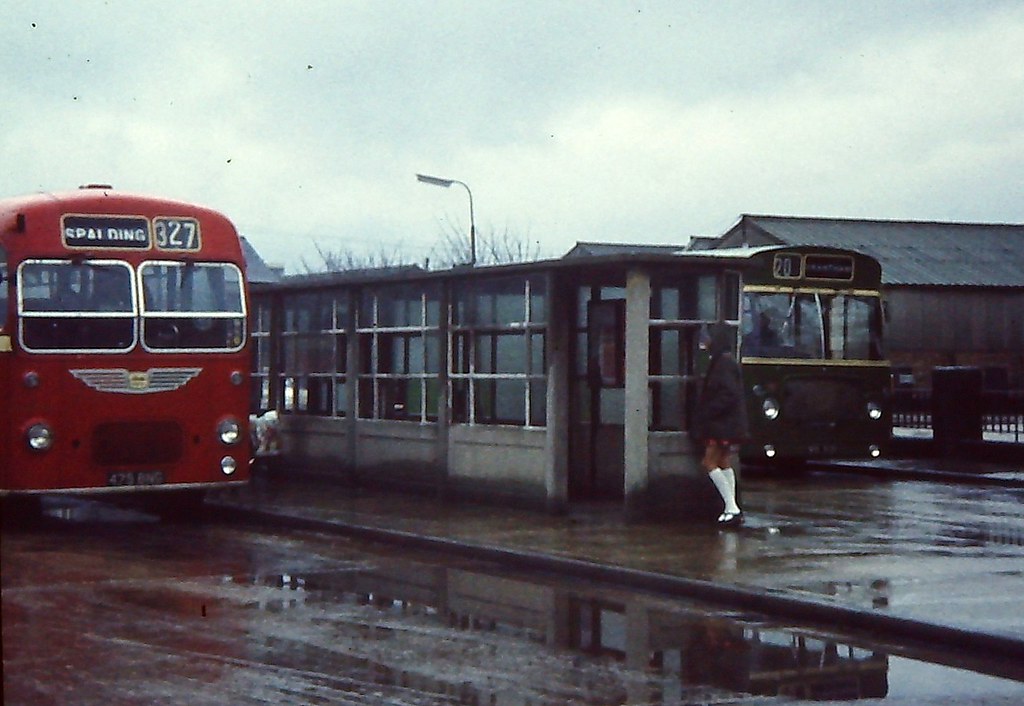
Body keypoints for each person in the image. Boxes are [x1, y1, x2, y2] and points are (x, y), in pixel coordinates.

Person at [692, 323, 748, 526]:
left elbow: (727, 394)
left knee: (709, 463)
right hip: (727, 423)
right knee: (724, 462)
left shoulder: (722, 364)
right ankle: (733, 508)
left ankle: (731, 507)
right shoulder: (725, 361)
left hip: (720, 423)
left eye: (706, 338)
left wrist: (708, 412)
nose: (703, 341)